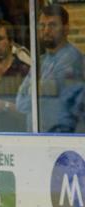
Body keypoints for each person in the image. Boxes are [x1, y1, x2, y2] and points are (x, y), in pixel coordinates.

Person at [17, 4, 84, 133]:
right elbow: (21, 103)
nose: (46, 30)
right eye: (42, 25)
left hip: (61, 139)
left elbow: (44, 100)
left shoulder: (72, 59)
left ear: (66, 29)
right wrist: (38, 91)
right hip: (39, 137)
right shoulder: (41, 61)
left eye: (52, 25)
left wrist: (35, 91)